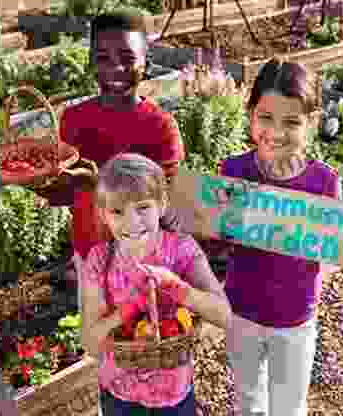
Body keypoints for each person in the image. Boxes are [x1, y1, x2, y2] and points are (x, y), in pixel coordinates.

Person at [22, 11, 185, 303]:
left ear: (145, 61)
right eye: (103, 58)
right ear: (91, 63)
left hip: (145, 261)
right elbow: (63, 196)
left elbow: (165, 201)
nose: (115, 68)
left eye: (127, 57)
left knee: (145, 337)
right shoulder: (74, 120)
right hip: (90, 254)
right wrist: (41, 182)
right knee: (101, 337)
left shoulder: (161, 126)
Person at [216, 58, 342, 416]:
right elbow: (217, 236)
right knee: (248, 402)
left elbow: (335, 244)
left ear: (311, 124)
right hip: (242, 311)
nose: (275, 132)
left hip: (295, 317)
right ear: (251, 116)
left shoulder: (323, 182)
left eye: (291, 122)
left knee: (288, 407)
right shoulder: (233, 170)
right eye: (265, 118)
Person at [77, 153, 231, 415]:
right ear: (104, 215)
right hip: (119, 393)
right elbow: (90, 342)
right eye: (117, 211)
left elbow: (225, 316)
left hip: (173, 392)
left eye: (143, 208)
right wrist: (127, 311)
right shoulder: (99, 260)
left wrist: (177, 288)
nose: (132, 222)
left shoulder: (182, 249)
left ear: (162, 204)